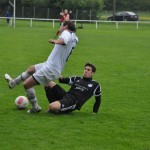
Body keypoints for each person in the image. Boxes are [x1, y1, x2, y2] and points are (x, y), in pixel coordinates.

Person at [5, 21, 78, 113]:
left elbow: (64, 41)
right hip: (51, 64)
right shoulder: (75, 37)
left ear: (66, 26)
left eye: (61, 25)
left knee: (27, 84)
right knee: (31, 69)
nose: (60, 27)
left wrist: (56, 41)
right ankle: (13, 82)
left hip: (51, 68)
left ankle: (35, 107)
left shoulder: (66, 33)